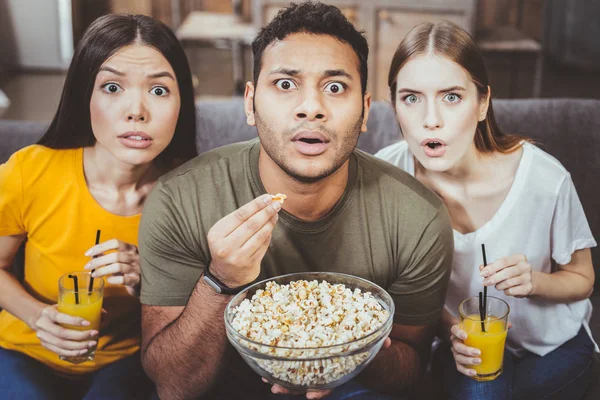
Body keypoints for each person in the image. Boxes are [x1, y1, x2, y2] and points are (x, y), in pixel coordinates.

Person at [138, 2, 454, 400]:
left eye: (335, 87)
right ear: (250, 103)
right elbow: (171, 385)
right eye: (286, 84)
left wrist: (345, 353)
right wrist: (219, 280)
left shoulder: (418, 218)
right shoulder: (178, 200)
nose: (311, 108)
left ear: (365, 111)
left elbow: (411, 369)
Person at [376, 20, 598, 400]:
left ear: (482, 104)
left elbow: (583, 279)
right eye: (412, 97)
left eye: (451, 97)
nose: (431, 119)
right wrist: (452, 332)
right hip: (460, 344)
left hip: (553, 345)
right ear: (395, 105)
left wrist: (536, 282)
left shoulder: (545, 179)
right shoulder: (387, 175)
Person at [0, 13, 197, 399]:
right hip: (22, 351)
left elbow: (203, 315)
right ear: (83, 96)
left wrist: (150, 279)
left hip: (128, 361)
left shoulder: (192, 192)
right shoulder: (31, 170)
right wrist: (37, 317)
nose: (136, 110)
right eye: (111, 87)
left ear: (181, 103)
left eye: (159, 91)